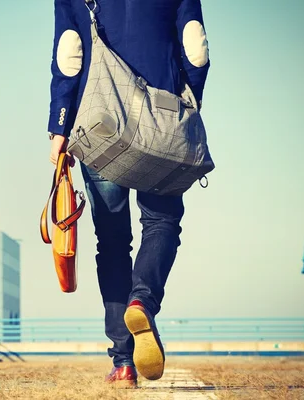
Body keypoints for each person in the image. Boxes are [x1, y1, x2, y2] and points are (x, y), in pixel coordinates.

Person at [47, 0, 210, 387]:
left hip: (100, 124)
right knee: (162, 221)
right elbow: (195, 46)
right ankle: (143, 301)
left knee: (113, 242)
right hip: (164, 118)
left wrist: (58, 125)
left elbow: (69, 54)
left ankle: (123, 362)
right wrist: (190, 99)